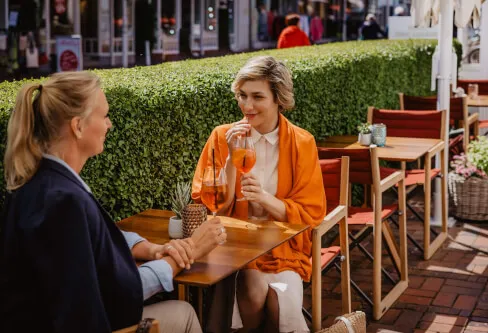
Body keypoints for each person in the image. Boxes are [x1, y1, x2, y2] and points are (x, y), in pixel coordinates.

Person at [0, 72, 227, 333]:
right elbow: (119, 294)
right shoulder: (64, 202)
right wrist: (187, 252)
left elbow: (96, 239)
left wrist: (151, 249)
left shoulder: (42, 183)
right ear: (78, 126)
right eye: (104, 115)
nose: (109, 125)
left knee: (182, 312)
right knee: (184, 315)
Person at [192, 56, 326, 332]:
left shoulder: (303, 142)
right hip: (236, 246)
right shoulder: (222, 137)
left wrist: (264, 198)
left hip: (284, 245)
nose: (247, 106)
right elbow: (211, 205)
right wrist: (229, 159)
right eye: (242, 95)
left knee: (279, 300)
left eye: (257, 97)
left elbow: (311, 214)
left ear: (279, 99)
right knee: (251, 288)